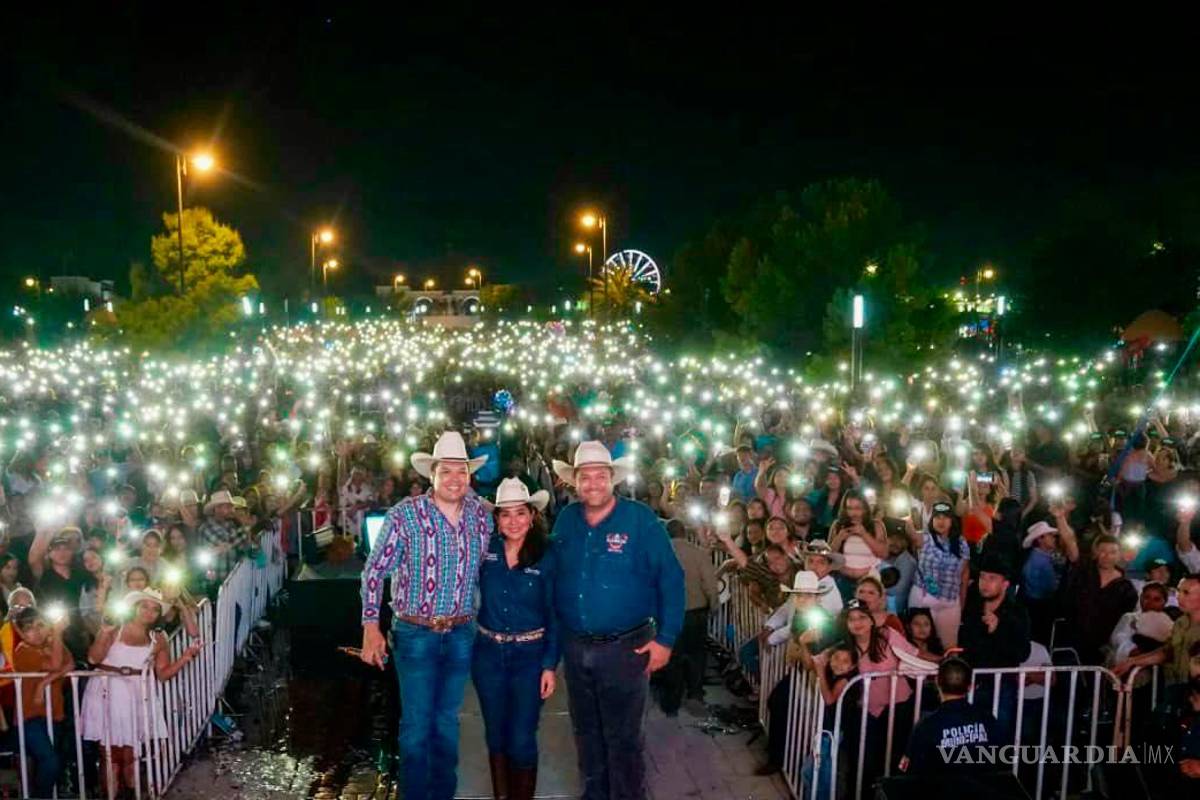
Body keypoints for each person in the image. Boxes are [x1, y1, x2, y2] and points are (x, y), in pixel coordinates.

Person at [358, 430, 494, 800]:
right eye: (446, 471)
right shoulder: (405, 515)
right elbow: (374, 571)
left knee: (447, 723)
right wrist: (371, 627)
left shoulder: (481, 519)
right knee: (417, 726)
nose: (454, 479)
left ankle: (443, 794)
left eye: (461, 471)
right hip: (415, 634)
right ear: (431, 474)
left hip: (461, 633)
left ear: (470, 475)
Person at [549, 440, 685, 800]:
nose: (592, 484)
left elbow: (671, 578)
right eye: (585, 478)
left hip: (627, 648)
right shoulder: (565, 520)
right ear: (574, 482)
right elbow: (554, 574)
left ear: (613, 479)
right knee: (586, 732)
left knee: (624, 738)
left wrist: (666, 639)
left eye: (600, 476)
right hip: (577, 648)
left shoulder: (640, 520)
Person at [472, 478, 557, 800]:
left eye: (520, 513)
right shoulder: (485, 550)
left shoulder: (547, 555)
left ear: (532, 516)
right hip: (488, 655)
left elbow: (555, 614)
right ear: (496, 519)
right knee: (495, 736)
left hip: (530, 657)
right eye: (505, 514)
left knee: (522, 737)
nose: (513, 521)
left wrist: (550, 664)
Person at [81, 589, 201, 797]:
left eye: (155, 609)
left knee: (131, 754)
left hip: (136, 693)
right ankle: (109, 794)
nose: (149, 612)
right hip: (107, 691)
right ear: (134, 607)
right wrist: (103, 633)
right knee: (109, 753)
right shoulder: (115, 627)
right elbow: (93, 658)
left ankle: (131, 793)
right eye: (144, 606)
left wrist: (186, 657)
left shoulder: (159, 637)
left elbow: (163, 674)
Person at [957, 553, 1030, 740]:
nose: (985, 583)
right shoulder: (973, 608)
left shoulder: (1017, 613)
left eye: (992, 578)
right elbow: (964, 644)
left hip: (1001, 686)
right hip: (972, 683)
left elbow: (1022, 653)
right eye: (982, 577)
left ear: (1005, 584)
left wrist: (998, 630)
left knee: (998, 737)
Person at [900, 656, 1001, 775]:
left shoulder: (926, 725)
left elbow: (908, 769)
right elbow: (999, 759)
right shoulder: (987, 719)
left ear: (937, 682)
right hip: (981, 790)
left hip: (940, 791)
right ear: (970, 686)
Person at [12, 607, 71, 798]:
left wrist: (43, 683)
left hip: (54, 714)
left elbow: (70, 664)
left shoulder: (53, 644)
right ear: (21, 631)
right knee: (50, 761)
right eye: (29, 627)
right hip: (31, 716)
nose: (36, 631)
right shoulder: (23, 650)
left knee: (54, 762)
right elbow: (56, 665)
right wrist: (58, 633)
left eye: (41, 625)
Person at [660, 518, 717, 715]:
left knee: (671, 656)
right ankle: (695, 694)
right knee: (696, 655)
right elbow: (710, 584)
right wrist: (714, 606)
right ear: (684, 532)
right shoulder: (698, 553)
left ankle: (671, 701)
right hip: (695, 613)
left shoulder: (659, 553)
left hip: (668, 613)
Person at [1114, 574, 1200, 688]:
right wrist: (1131, 662)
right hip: (1177, 687)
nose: (1179, 597)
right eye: (1178, 591)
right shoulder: (1181, 623)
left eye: (1186, 592)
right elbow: (1167, 651)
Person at [906, 501, 970, 649]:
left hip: (949, 601)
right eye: (937, 517)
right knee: (918, 644)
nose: (941, 521)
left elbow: (964, 576)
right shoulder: (924, 538)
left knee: (950, 647)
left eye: (945, 517)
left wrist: (962, 601)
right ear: (931, 520)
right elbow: (909, 530)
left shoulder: (961, 543)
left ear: (952, 520)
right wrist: (908, 518)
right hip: (923, 598)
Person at [196, 490, 244, 585]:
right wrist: (242, 526)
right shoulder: (206, 527)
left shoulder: (231, 525)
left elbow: (243, 544)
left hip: (232, 578)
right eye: (228, 507)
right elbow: (226, 543)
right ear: (216, 509)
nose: (232, 510)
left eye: (231, 507)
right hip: (215, 580)